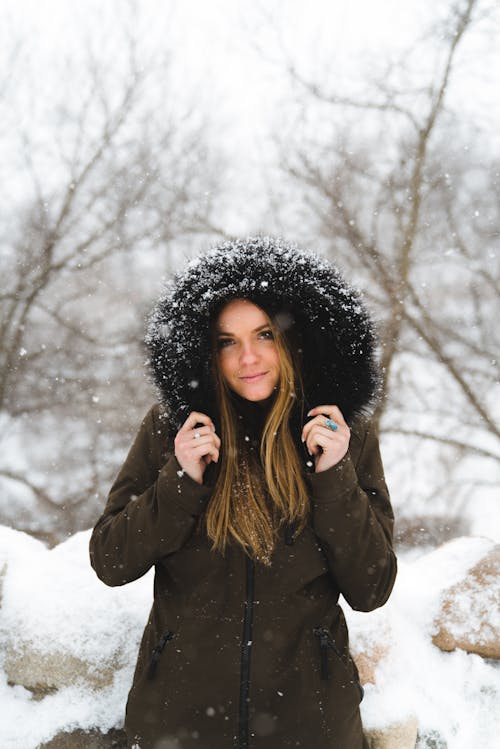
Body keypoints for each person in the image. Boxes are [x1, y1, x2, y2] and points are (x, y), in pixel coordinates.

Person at [89, 236, 397, 749]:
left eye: (265, 335)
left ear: (296, 340)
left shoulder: (343, 434)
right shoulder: (174, 429)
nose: (248, 357)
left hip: (310, 726)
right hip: (178, 725)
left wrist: (334, 476)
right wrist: (181, 479)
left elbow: (372, 587)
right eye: (227, 341)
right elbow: (111, 560)